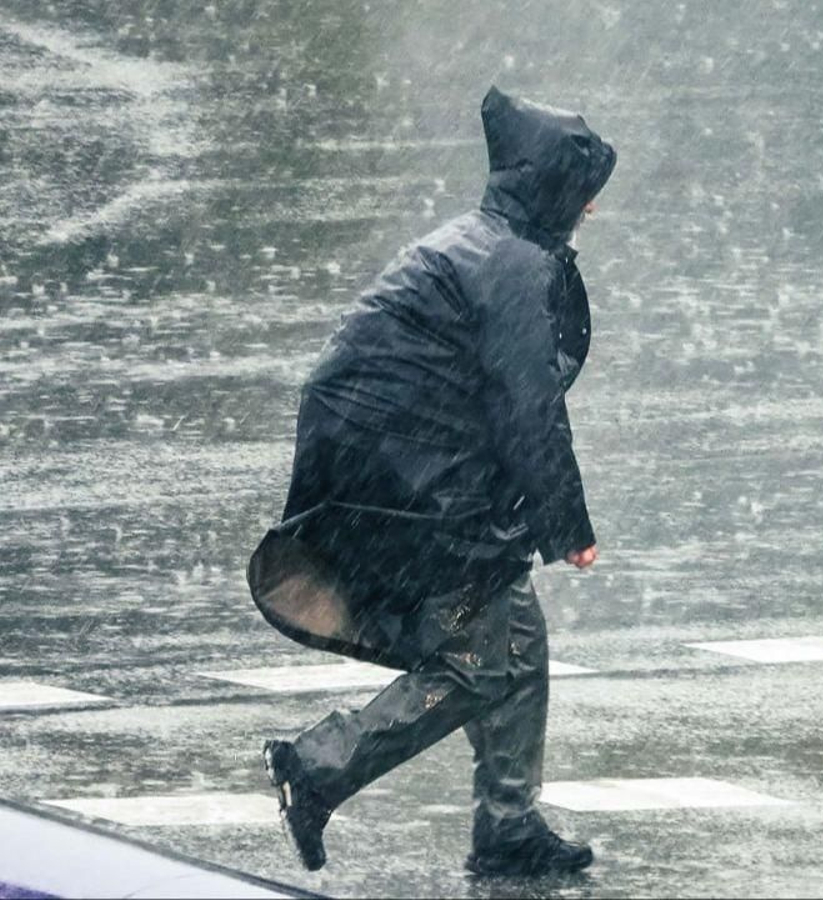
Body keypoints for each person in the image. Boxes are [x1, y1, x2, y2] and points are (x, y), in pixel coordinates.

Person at [244, 85, 615, 878]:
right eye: (586, 197)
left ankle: (508, 826)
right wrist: (567, 530)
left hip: (401, 475)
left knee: (515, 627)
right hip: (415, 493)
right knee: (478, 663)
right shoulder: (510, 266)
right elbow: (528, 408)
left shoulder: (480, 244)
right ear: (557, 189)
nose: (591, 212)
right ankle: (315, 769)